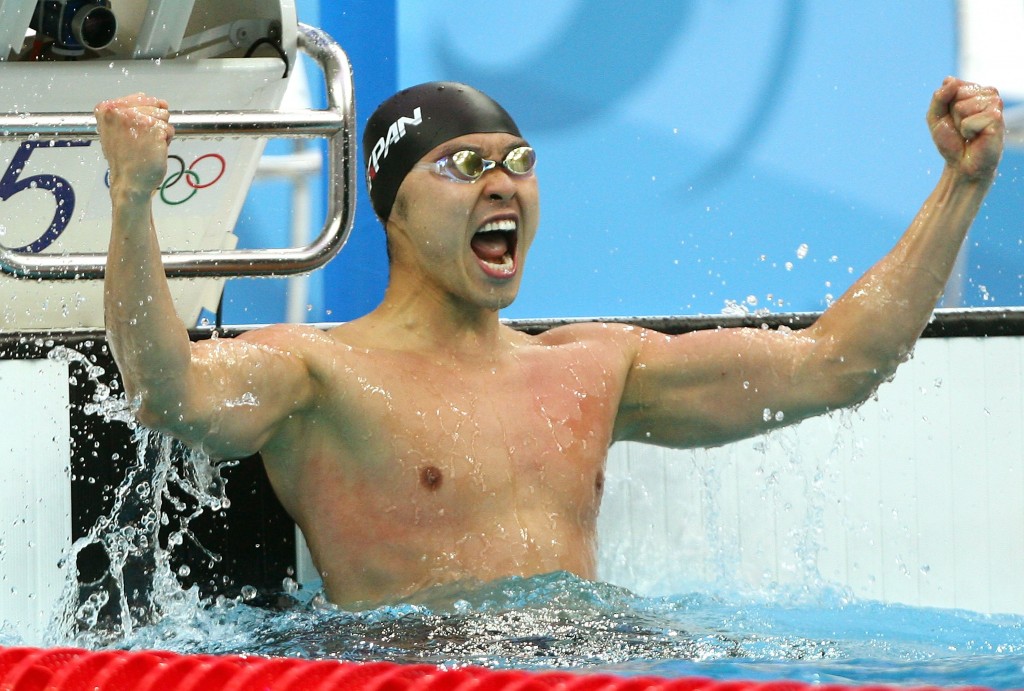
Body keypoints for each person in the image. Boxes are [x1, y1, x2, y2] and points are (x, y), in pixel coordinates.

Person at [95, 77, 1004, 608]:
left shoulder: (592, 367)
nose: (503, 185)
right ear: (393, 208)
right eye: (464, 165)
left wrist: (962, 185)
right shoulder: (316, 373)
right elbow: (162, 393)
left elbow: (836, 365)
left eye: (519, 164)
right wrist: (133, 199)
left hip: (598, 658)